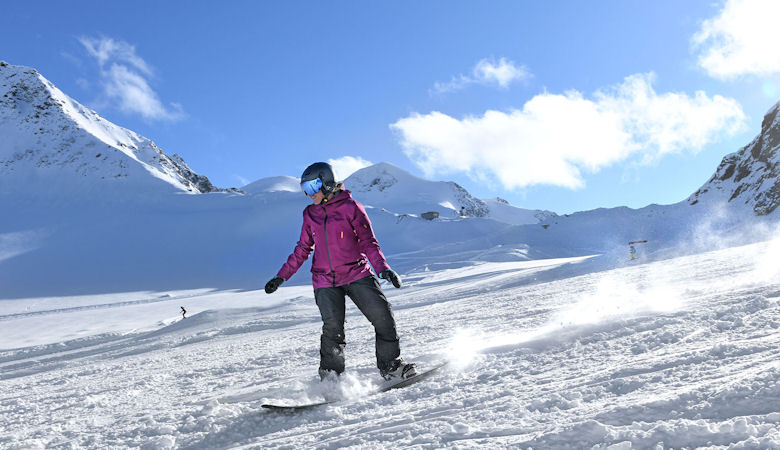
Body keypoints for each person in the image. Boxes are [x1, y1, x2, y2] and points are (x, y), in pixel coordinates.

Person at [264, 162, 416, 381]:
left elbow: (368, 242)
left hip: (357, 273)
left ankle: (391, 367)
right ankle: (331, 381)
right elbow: (302, 249)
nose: (309, 194)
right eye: (305, 189)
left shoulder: (351, 207)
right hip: (324, 280)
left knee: (383, 317)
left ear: (326, 182)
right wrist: (281, 276)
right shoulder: (309, 214)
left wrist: (383, 269)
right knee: (332, 331)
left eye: (313, 187)